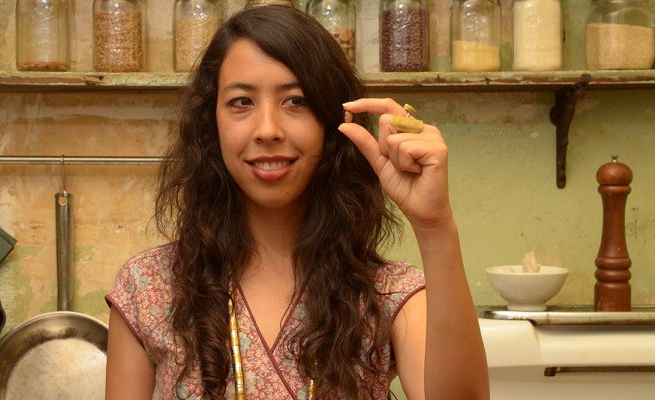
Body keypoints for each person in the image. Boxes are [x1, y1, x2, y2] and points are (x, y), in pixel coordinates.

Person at [105, 5, 489, 400]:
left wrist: (434, 224)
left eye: (296, 101)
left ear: (331, 123)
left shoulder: (387, 293)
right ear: (210, 122)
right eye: (241, 102)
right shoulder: (148, 287)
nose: (268, 129)